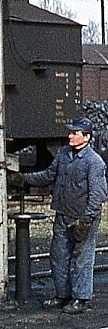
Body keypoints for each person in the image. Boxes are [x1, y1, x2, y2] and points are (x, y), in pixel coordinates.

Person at [19, 116, 107, 314]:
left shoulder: (94, 162)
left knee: (82, 259)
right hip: (63, 213)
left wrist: (86, 219)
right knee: (58, 256)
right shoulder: (64, 154)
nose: (70, 136)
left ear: (86, 137)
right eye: (70, 132)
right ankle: (62, 295)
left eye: (75, 133)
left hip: (83, 217)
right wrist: (23, 178)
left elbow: (98, 194)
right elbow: (48, 175)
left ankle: (81, 299)